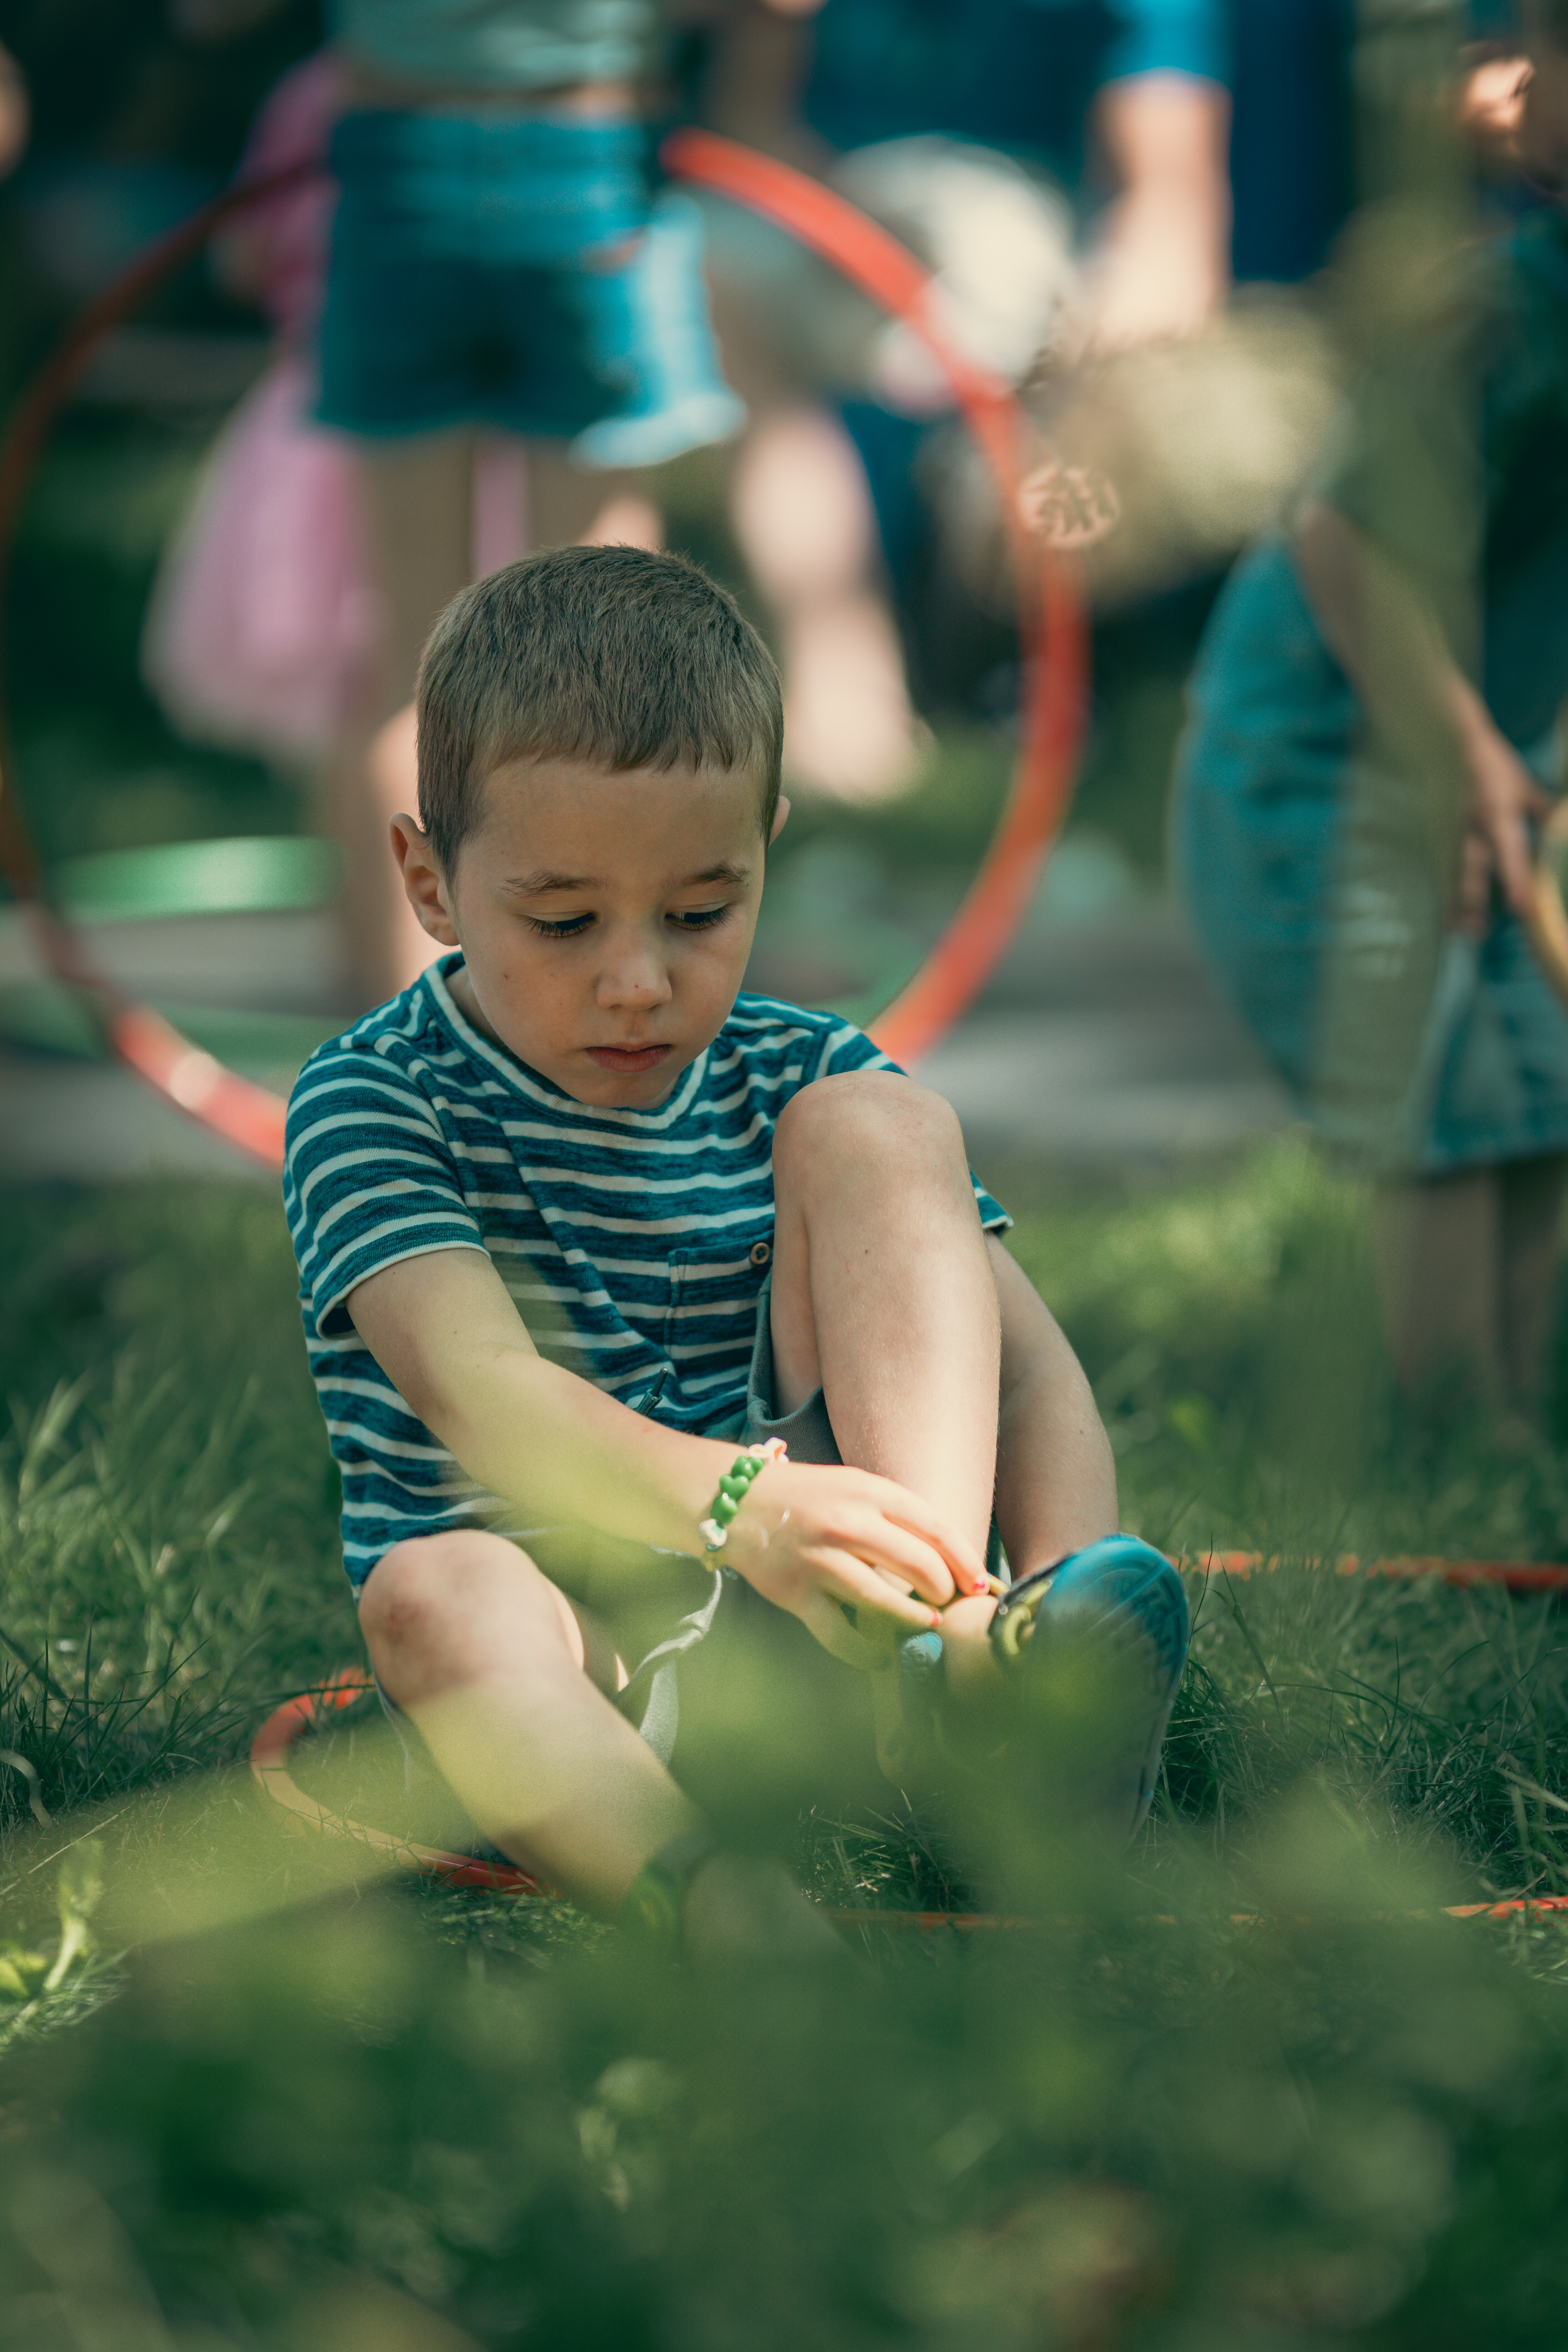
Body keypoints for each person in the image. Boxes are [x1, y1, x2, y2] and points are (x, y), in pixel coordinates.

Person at [283, 545, 1189, 1952]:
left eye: (701, 911)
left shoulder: (805, 1070)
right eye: (565, 920)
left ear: (766, 841)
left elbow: (1023, 1377)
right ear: (432, 880)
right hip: (572, 1659)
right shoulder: (375, 1097)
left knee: (883, 1125)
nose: (639, 976)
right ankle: (717, 1909)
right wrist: (743, 1509)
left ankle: (963, 1672)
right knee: (433, 1590)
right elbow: (490, 1404)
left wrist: (1069, 1596)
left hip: (828, 1621)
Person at [1173, 3, 1568, 1414]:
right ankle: (1451, 1431)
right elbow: (1347, 534)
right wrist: (1457, 744)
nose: (1509, 77)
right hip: (1335, 768)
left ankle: (1513, 1421)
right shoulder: (1512, 306)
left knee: (1538, 1091)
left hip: (1483, 764)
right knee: (1448, 1106)